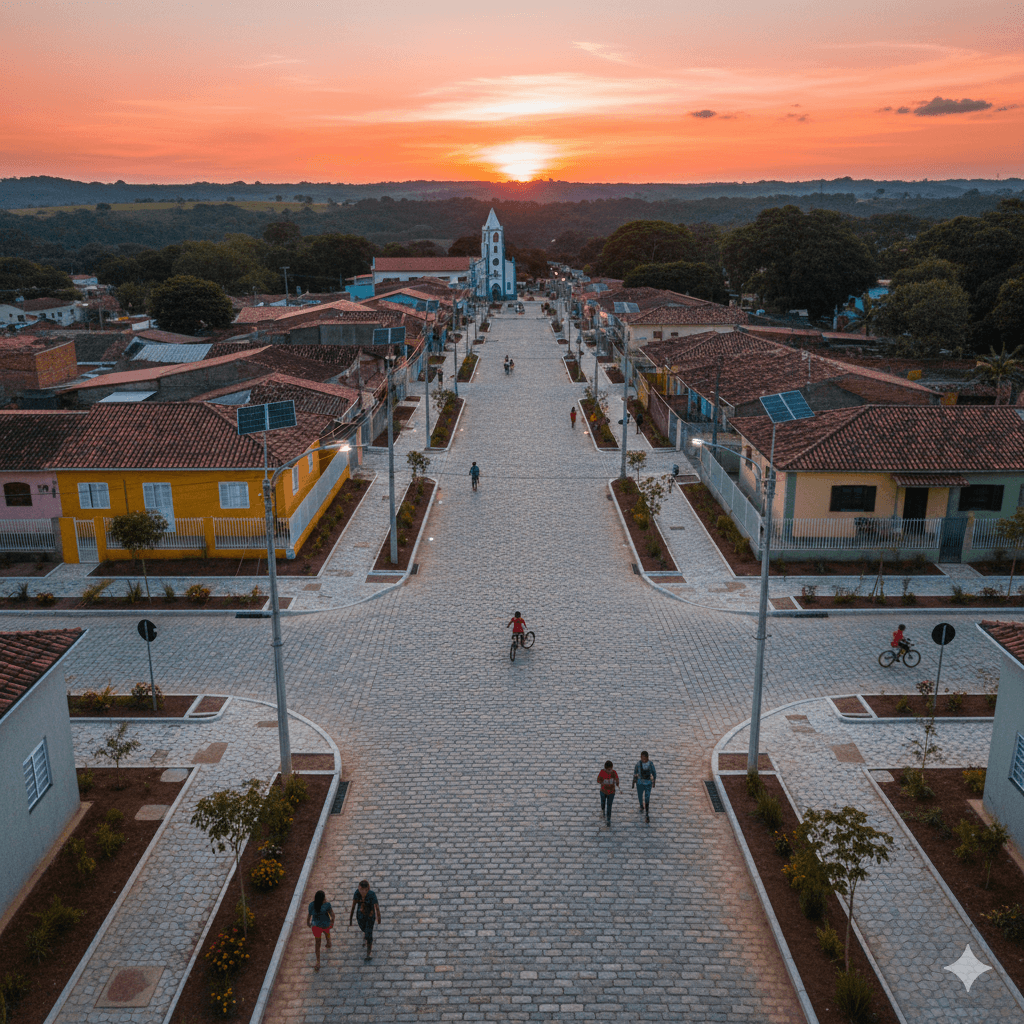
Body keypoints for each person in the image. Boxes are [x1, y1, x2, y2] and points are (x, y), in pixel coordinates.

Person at [349, 879, 381, 961]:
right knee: (364, 929)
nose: (363, 892)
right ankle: (365, 933)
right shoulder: (357, 894)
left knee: (369, 935)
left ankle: (368, 953)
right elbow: (353, 906)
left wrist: (378, 917)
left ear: (368, 889)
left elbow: (376, 906)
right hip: (360, 916)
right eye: (361, 890)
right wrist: (350, 919)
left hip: (370, 916)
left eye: (364, 890)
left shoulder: (371, 894)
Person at [307, 890, 335, 972]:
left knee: (319, 941)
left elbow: (309, 915)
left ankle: (318, 961)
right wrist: (332, 922)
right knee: (324, 937)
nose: (325, 899)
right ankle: (328, 943)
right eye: (324, 898)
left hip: (318, 926)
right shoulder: (326, 905)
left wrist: (308, 922)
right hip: (323, 926)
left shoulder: (312, 905)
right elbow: (332, 914)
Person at [632, 751, 656, 822]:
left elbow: (654, 773)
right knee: (640, 795)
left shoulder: (651, 764)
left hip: (648, 783)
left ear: (648, 758)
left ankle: (647, 814)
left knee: (647, 797)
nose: (644, 760)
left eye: (645, 759)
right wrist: (634, 781)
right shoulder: (638, 764)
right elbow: (635, 773)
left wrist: (654, 782)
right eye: (643, 758)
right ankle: (641, 806)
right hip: (640, 783)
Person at [597, 760, 619, 826]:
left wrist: (617, 782)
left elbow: (617, 779)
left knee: (609, 806)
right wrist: (602, 782)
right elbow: (598, 780)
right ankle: (603, 810)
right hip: (603, 791)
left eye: (610, 769)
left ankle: (608, 819)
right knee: (603, 803)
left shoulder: (614, 773)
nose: (609, 771)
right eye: (608, 770)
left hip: (611, 792)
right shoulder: (602, 772)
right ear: (605, 769)